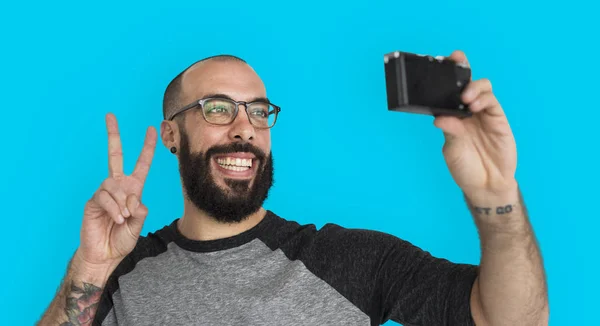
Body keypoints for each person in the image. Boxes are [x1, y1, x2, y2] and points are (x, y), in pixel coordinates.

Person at [39, 51, 549, 326]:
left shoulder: (349, 260)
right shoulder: (123, 275)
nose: (244, 129)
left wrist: (495, 194)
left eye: (258, 111)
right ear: (172, 134)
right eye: (217, 108)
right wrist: (91, 268)